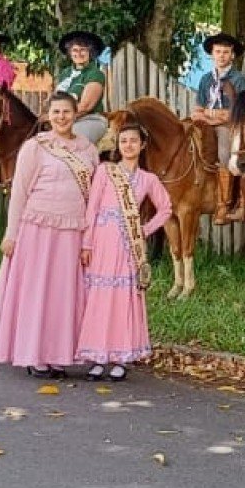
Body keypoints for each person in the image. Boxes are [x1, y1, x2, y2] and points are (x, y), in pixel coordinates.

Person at [0, 91, 99, 378]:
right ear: (48, 115)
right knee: (38, 294)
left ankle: (60, 355)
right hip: (37, 229)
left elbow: (94, 197)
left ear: (76, 115)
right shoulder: (36, 147)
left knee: (65, 296)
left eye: (67, 112)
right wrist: (12, 234)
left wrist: (92, 238)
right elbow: (19, 192)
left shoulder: (88, 149)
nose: (62, 117)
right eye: (56, 112)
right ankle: (35, 355)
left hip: (73, 230)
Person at [75, 119, 173, 381]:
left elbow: (166, 209)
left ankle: (120, 357)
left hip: (129, 245)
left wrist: (144, 229)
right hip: (102, 242)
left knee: (122, 299)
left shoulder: (148, 179)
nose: (128, 145)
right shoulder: (106, 172)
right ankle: (96, 356)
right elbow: (92, 208)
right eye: (123, 141)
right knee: (99, 297)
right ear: (118, 145)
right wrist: (86, 243)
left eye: (133, 141)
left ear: (142, 145)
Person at [192, 32, 245, 223]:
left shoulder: (239, 79)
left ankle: (224, 204)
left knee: (225, 154)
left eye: (226, 52)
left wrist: (213, 116)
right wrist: (212, 116)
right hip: (205, 124)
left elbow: (235, 113)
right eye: (218, 52)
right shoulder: (206, 79)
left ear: (232, 55)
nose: (222, 55)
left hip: (229, 127)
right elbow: (197, 111)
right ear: (212, 54)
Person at [55, 30, 109, 144]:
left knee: (70, 142)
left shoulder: (95, 74)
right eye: (75, 50)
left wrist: (61, 118)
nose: (78, 53)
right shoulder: (65, 74)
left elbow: (85, 106)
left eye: (83, 50)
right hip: (63, 121)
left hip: (89, 120)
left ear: (91, 52)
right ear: (70, 53)